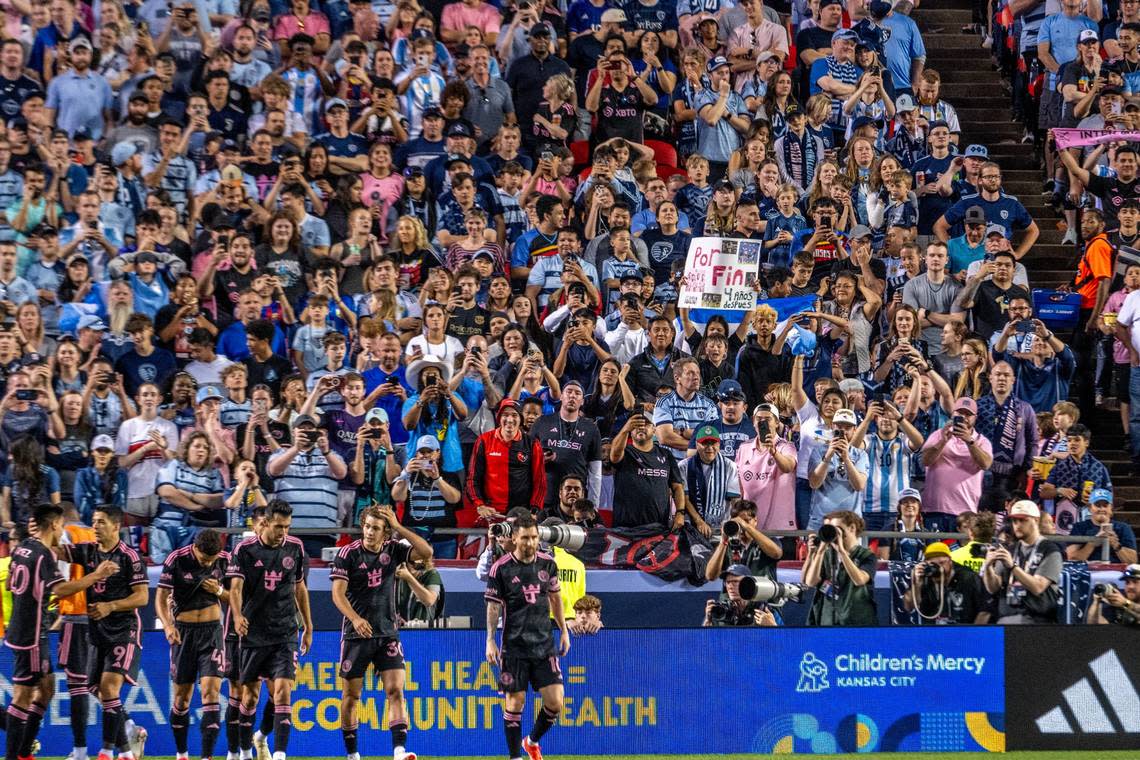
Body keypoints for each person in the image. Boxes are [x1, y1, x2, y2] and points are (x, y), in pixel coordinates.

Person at [4, 504, 119, 760]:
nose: (62, 531)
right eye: (61, 526)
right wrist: (96, 575)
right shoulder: (43, 554)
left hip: (25, 629)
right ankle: (15, 756)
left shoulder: (21, 548)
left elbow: (14, 585)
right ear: (55, 525)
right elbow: (61, 589)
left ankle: (24, 752)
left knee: (46, 688)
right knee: (22, 697)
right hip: (31, 635)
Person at [331, 505, 432, 760]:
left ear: (385, 533)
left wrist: (398, 527)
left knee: (396, 690)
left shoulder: (394, 550)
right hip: (357, 635)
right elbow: (337, 594)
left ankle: (399, 751)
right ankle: (352, 754)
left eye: (376, 528)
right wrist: (354, 619)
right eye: (367, 526)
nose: (369, 532)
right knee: (351, 695)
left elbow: (426, 552)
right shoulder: (348, 554)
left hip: (387, 633)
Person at [58, 505, 151, 760]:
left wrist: (111, 606)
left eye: (100, 522)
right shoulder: (87, 551)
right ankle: (127, 744)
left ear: (116, 526)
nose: (95, 526)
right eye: (93, 521)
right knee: (94, 687)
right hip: (96, 632)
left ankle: (106, 751)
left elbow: (142, 597)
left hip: (123, 630)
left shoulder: (129, 556)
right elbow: (55, 550)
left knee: (109, 689)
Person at [227, 500, 313, 760]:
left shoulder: (295, 547)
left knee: (283, 692)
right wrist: (238, 616)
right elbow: (235, 589)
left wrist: (308, 626)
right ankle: (244, 752)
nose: (283, 533)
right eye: (278, 527)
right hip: (253, 634)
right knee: (250, 697)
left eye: (287, 527)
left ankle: (277, 754)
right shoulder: (244, 550)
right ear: (264, 522)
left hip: (285, 633)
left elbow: (300, 588)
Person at [484, 514, 570, 760]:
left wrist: (563, 630)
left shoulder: (548, 563)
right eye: (525, 538)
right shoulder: (501, 567)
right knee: (515, 702)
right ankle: (515, 757)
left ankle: (531, 741)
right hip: (514, 647)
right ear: (514, 537)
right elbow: (493, 606)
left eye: (534, 537)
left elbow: (555, 598)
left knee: (555, 703)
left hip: (544, 645)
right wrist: (490, 639)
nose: (530, 542)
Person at [154, 528, 229, 760]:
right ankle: (182, 753)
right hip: (183, 634)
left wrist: (218, 590)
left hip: (212, 633)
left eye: (212, 560)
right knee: (182, 698)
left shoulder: (225, 561)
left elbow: (237, 597)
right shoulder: (176, 559)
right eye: (204, 559)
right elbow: (160, 597)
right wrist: (168, 625)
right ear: (195, 548)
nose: (208, 563)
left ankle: (207, 757)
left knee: (210, 693)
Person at [983, 499, 1065, 624]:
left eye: (1023, 520)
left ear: (1036, 520)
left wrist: (1012, 566)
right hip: (1007, 617)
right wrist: (988, 566)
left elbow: (1038, 587)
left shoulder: (1050, 550)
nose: (1017, 525)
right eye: (1015, 521)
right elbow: (993, 588)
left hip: (1037, 620)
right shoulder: (1009, 550)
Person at [919, 397, 993, 531]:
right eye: (960, 413)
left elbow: (985, 464)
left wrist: (970, 442)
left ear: (975, 418)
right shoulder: (938, 435)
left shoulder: (982, 441)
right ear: (953, 414)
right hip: (934, 509)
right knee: (934, 552)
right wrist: (942, 441)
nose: (963, 417)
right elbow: (925, 461)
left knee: (962, 552)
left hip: (965, 513)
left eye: (968, 414)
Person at [465, 398, 546, 519]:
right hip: (492, 513)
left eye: (514, 415)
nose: (509, 419)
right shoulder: (484, 440)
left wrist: (534, 510)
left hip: (521, 514)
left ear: (520, 419)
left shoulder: (532, 444)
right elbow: (472, 478)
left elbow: (539, 481)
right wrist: (480, 505)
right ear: (498, 418)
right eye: (505, 415)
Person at [609, 411, 685, 530]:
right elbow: (614, 455)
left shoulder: (665, 454)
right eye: (636, 425)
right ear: (630, 430)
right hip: (626, 527)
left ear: (654, 429)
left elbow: (677, 487)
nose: (641, 428)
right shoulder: (626, 452)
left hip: (659, 527)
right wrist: (624, 430)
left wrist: (680, 513)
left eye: (645, 424)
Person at [803, 510, 878, 626]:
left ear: (852, 528)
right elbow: (810, 582)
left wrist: (842, 552)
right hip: (827, 620)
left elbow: (859, 580)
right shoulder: (826, 554)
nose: (833, 533)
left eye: (836, 529)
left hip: (857, 622)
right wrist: (819, 552)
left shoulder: (867, 555)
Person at [806, 408, 868, 529]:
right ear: (833, 427)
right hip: (821, 521)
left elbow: (859, 485)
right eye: (839, 426)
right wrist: (828, 456)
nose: (843, 431)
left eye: (847, 427)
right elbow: (814, 483)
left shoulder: (861, 454)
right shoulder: (818, 451)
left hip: (850, 523)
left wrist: (846, 458)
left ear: (855, 430)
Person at [902, 541, 990, 624]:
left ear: (950, 561)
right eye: (933, 564)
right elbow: (908, 607)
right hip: (933, 632)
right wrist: (916, 585)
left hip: (963, 629)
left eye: (942, 563)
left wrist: (974, 633)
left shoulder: (968, 578)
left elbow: (985, 610)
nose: (939, 568)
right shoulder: (925, 578)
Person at [679, 425, 741, 536]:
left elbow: (735, 500)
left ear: (719, 444)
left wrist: (734, 521)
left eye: (713, 443)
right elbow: (684, 499)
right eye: (705, 443)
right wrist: (699, 521)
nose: (710, 447)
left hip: (721, 527)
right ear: (697, 445)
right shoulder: (684, 466)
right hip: (692, 527)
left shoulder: (730, 466)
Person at [1067, 489, 1138, 564]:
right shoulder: (1079, 527)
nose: (1101, 509)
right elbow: (1072, 558)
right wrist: (1092, 543)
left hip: (1116, 572)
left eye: (1105, 505)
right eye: (1097, 505)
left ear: (1111, 508)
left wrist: (1116, 545)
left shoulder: (1123, 528)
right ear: (1090, 508)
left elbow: (1132, 561)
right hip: (1088, 571)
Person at [702, 563, 779, 627]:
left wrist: (772, 626)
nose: (730, 586)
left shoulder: (765, 610)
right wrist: (707, 622)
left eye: (735, 582)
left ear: (748, 584)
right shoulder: (720, 611)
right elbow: (702, 643)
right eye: (728, 582)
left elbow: (784, 642)